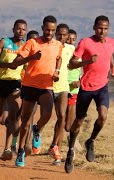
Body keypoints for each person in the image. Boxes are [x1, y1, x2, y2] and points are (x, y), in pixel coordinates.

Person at [64, 15, 114, 173]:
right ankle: (70, 150)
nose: (102, 31)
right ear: (94, 27)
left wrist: (112, 67)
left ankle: (91, 141)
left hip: (102, 86)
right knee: (79, 121)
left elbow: (109, 54)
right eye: (100, 28)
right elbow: (71, 64)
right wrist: (87, 62)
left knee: (103, 116)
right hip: (86, 87)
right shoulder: (85, 42)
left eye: (106, 28)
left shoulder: (112, 42)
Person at [10, 15, 63, 167]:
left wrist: (57, 71)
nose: (49, 33)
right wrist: (32, 57)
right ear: (42, 28)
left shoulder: (57, 44)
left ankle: (37, 129)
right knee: (25, 122)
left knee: (47, 114)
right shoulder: (32, 42)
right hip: (30, 86)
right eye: (47, 30)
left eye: (52, 30)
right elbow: (15, 63)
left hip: (46, 87)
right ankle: (20, 151)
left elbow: (58, 58)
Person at [0, 19, 27, 161]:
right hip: (0, 82)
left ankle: (7, 149)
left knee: (13, 118)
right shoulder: (4, 42)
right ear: (13, 30)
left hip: (15, 84)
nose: (21, 32)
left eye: (23, 29)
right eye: (18, 29)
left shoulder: (26, 47)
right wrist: (7, 65)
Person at [48, 23, 75, 165]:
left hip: (64, 87)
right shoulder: (50, 46)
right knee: (44, 116)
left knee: (62, 117)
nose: (62, 37)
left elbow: (77, 64)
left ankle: (55, 147)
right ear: (55, 33)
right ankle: (35, 133)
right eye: (59, 34)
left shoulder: (71, 49)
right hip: (48, 86)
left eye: (65, 35)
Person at [23, 30, 40, 156]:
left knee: (29, 118)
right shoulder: (22, 52)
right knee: (13, 119)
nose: (32, 42)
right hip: (18, 85)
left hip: (32, 87)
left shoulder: (40, 54)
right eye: (30, 40)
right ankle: (13, 142)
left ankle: (26, 145)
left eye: (35, 39)